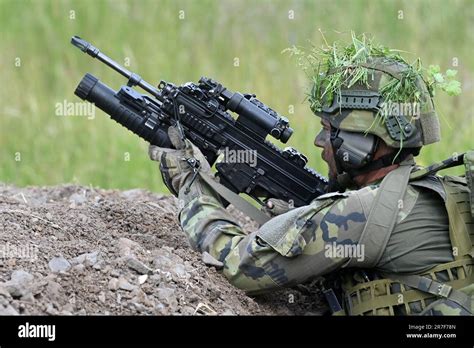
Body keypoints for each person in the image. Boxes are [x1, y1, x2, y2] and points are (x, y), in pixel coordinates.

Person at [148, 36, 473, 315]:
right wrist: (295, 220)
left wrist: (188, 182)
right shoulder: (442, 191)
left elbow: (239, 265)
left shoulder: (363, 211)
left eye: (328, 130)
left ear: (359, 145)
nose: (319, 141)